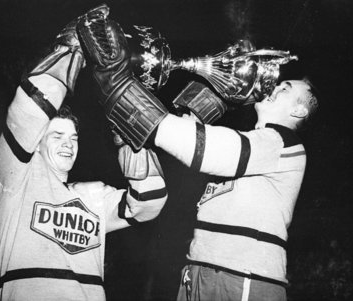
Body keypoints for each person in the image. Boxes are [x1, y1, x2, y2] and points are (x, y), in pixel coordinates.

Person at [78, 9, 319, 301]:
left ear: (299, 111)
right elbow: (184, 128)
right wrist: (217, 91)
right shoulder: (254, 141)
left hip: (244, 278)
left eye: (287, 88)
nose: (276, 85)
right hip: (198, 273)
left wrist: (117, 83)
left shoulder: (285, 145)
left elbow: (204, 149)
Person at [0, 8, 167, 301]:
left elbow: (149, 202)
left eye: (73, 137)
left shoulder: (94, 196)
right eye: (57, 136)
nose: (68, 144)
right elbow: (25, 115)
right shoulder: (14, 179)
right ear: (36, 142)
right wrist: (71, 48)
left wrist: (131, 138)